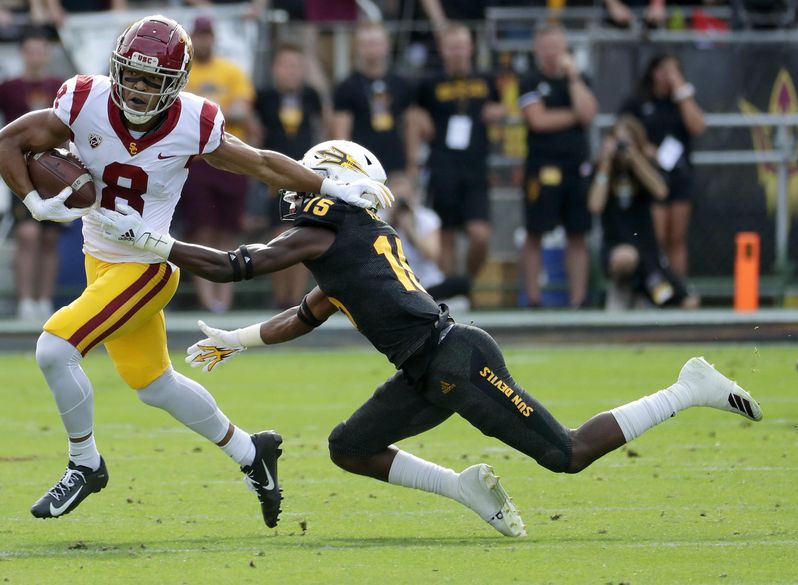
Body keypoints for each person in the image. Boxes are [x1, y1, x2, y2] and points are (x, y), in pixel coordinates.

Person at [94, 139, 763, 538]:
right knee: (348, 447)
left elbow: (235, 264)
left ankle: (689, 386)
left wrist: (154, 242)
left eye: (309, 176)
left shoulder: (328, 230)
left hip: (457, 359)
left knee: (567, 454)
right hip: (427, 368)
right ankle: (467, 490)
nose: (297, 187)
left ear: (335, 180)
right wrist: (237, 340)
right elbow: (307, 311)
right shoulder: (349, 241)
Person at [0, 15, 393, 526]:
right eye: (130, 75)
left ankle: (84, 464)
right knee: (154, 384)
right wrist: (32, 202)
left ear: (174, 84)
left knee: (54, 349)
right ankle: (253, 453)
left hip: (148, 267)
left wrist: (329, 188)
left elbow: (263, 163)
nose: (135, 89)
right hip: (102, 261)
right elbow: (6, 142)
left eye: (150, 80)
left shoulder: (191, 122)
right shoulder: (83, 99)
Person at [0, 29, 65, 321]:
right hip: (21, 171)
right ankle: (25, 301)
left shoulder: (60, 87)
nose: (36, 56)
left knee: (49, 239)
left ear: (47, 54)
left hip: (55, 170)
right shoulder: (10, 87)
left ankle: (44, 301)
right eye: (31, 51)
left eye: (41, 50)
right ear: (23, 54)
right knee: (27, 235)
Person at [411, 24, 503, 283]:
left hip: (476, 166)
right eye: (452, 47)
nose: (458, 52)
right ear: (442, 50)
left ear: (471, 47)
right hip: (443, 166)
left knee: (480, 234)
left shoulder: (485, 80)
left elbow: (501, 107)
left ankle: (467, 284)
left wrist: (498, 112)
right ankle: (450, 293)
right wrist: (419, 118)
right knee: (446, 234)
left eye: (462, 46)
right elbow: (412, 111)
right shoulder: (429, 83)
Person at [176, 16, 257, 313]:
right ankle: (209, 300)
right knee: (201, 229)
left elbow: (243, 110)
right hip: (196, 160)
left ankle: (224, 298)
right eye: (199, 35)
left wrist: (207, 115)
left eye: (207, 35)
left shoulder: (231, 71)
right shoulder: (183, 72)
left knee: (228, 230)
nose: (204, 41)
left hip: (230, 157)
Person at [518, 24, 598, 309]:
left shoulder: (579, 78)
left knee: (577, 233)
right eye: (547, 46)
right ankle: (534, 300)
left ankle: (579, 300)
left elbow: (588, 113)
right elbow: (538, 121)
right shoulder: (529, 80)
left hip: (576, 168)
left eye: (557, 46)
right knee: (535, 231)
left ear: (566, 48)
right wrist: (573, 115)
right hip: (542, 168)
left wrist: (573, 77)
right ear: (537, 49)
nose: (552, 53)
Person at [588, 115, 698, 310]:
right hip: (617, 250)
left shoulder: (643, 169)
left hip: (648, 256)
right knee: (627, 257)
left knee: (688, 301)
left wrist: (636, 158)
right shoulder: (603, 170)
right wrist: (606, 162)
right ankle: (623, 291)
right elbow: (595, 206)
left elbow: (661, 191)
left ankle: (643, 298)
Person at [620, 53, 705, 280]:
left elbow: (697, 127)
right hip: (649, 177)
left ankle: (679, 289)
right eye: (663, 70)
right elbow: (623, 131)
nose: (666, 76)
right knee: (655, 237)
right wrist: (645, 149)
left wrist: (680, 88)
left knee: (676, 239)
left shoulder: (681, 101)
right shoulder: (638, 102)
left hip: (679, 176)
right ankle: (656, 291)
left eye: (673, 70)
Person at [254, 42, 324, 309]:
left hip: (306, 176)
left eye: (296, 66)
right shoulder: (264, 97)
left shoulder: (311, 96)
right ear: (275, 69)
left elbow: (323, 124)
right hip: (277, 178)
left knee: (304, 235)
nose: (291, 71)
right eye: (286, 65)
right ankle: (281, 299)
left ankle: (296, 301)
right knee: (282, 236)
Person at [331, 22, 414, 175]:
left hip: (396, 164)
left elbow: (409, 127)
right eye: (366, 44)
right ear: (357, 47)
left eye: (375, 43)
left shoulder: (401, 84)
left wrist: (411, 164)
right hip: (360, 167)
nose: (371, 50)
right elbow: (341, 134)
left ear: (387, 46)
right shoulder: (347, 86)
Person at [381, 172, 470, 304]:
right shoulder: (379, 219)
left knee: (462, 283)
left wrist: (410, 229)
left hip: (427, 285)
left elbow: (431, 254)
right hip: (396, 284)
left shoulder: (427, 218)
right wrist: (391, 221)